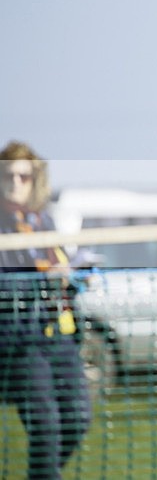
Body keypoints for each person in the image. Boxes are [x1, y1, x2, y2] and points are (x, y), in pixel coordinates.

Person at [0, 141, 91, 479]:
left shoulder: (44, 220)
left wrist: (73, 277)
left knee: (79, 418)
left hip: (60, 335)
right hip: (20, 340)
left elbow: (61, 264)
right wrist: (42, 281)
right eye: (8, 175)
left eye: (24, 176)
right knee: (46, 426)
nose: (16, 182)